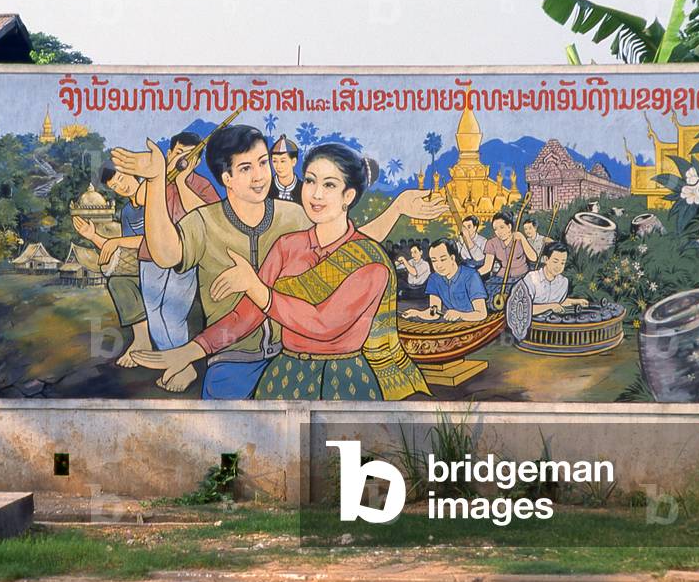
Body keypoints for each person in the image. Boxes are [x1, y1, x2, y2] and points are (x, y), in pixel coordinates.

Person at [111, 124, 447, 397]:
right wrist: (188, 352)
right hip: (265, 367)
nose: (316, 194)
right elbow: (244, 311)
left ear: (349, 195)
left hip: (339, 375)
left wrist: (396, 208)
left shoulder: (343, 246)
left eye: (329, 185)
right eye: (310, 181)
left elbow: (325, 316)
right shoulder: (284, 243)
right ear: (226, 178)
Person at [137, 132, 220, 372]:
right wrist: (164, 175)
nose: (183, 159)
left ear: (197, 161)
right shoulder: (156, 179)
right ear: (169, 153)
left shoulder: (201, 185)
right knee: (153, 311)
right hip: (150, 255)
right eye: (179, 153)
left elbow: (208, 216)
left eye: (190, 156)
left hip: (185, 256)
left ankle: (182, 366)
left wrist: (182, 182)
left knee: (175, 313)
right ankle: (176, 365)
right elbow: (139, 198)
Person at [74, 166, 151, 367]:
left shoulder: (156, 199)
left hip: (168, 260)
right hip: (143, 262)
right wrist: (93, 236)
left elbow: (157, 240)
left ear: (134, 173)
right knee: (118, 281)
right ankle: (142, 339)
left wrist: (115, 242)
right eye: (115, 186)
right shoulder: (127, 212)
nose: (121, 187)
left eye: (122, 179)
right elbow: (126, 248)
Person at [401, 239, 488, 322]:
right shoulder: (434, 278)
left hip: (474, 323)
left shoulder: (471, 276)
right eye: (434, 261)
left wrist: (460, 315)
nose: (438, 265)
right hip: (453, 325)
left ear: (452, 258)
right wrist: (417, 313)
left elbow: (482, 314)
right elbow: (434, 313)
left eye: (443, 259)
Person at [478, 212, 538, 298]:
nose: (499, 232)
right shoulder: (492, 243)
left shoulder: (518, 239)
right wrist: (472, 275)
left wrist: (522, 238)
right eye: (495, 229)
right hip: (501, 278)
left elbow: (534, 258)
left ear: (509, 227)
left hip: (521, 277)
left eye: (502, 227)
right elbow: (487, 267)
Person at [522, 241, 589, 315]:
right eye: (555, 261)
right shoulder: (531, 278)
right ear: (546, 259)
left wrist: (577, 302)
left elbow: (559, 302)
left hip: (553, 320)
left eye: (562, 263)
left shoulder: (564, 282)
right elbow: (524, 309)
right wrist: (550, 306)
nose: (559, 266)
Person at [268, 134, 302, 205]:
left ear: (293, 161)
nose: (278, 166)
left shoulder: (302, 188)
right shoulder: (267, 186)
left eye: (283, 161)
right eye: (274, 161)